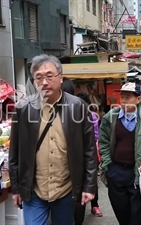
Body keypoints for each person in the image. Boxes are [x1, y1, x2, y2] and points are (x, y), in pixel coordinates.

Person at [8, 54, 97, 225]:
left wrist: (89, 186)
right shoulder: (23, 108)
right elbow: (15, 153)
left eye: (49, 76)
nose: (44, 82)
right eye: (39, 77)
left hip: (65, 190)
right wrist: (17, 188)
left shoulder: (78, 107)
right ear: (34, 81)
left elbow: (89, 151)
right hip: (34, 191)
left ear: (60, 78)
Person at [99, 82, 141, 225]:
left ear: (138, 99)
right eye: (122, 97)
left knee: (137, 216)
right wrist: (107, 164)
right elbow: (102, 142)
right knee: (121, 212)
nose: (123, 101)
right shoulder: (110, 118)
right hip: (116, 172)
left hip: (138, 174)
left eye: (128, 97)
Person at [74, 92, 103, 225]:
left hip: (89, 153)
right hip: (74, 155)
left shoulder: (92, 117)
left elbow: (95, 136)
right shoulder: (70, 116)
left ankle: (94, 205)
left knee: (90, 180)